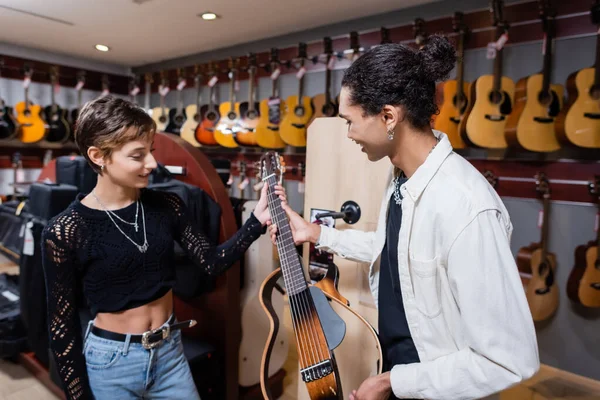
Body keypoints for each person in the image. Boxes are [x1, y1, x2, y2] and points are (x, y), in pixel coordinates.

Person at [269, 35, 540, 400]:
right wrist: (315, 232)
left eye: (350, 121)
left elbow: (508, 360)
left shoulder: (466, 207)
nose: (348, 134)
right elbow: (394, 249)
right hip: (400, 372)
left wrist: (391, 382)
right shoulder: (403, 178)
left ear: (388, 116)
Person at [41, 95, 285, 400]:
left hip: (170, 354)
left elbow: (211, 262)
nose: (152, 164)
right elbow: (61, 326)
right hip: (112, 362)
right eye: (137, 155)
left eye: (151, 151)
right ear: (98, 156)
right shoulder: (67, 230)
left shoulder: (167, 205)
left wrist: (255, 222)